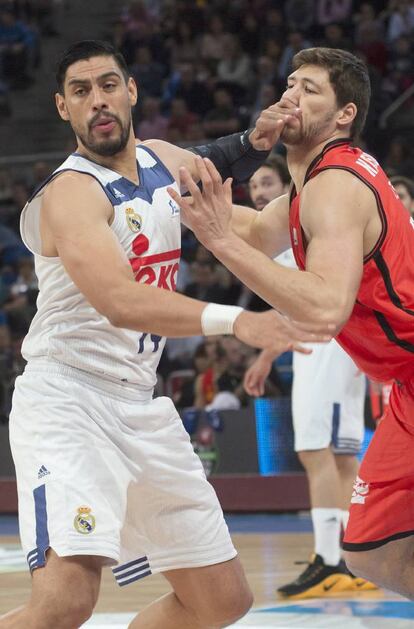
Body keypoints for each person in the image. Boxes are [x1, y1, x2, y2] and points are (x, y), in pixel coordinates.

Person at [0, 40, 331, 629]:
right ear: (61, 107)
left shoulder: (159, 158)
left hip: (139, 403)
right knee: (67, 602)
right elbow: (120, 300)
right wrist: (240, 320)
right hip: (68, 400)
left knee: (222, 600)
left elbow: (256, 233)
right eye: (81, 91)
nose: (97, 100)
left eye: (107, 85)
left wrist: (323, 169)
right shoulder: (70, 192)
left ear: (131, 91)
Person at [169, 47, 414, 599]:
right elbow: (256, 231)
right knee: (371, 548)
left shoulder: (336, 185)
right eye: (289, 83)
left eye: (310, 89)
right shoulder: (309, 187)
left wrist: (216, 237)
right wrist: (170, 195)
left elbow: (325, 308)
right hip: (405, 382)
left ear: (344, 114)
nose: (290, 95)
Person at [244, 155, 372, 599]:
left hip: (329, 344)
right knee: (336, 456)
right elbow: (290, 307)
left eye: (266, 183)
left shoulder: (304, 220)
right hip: (317, 345)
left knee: (321, 452)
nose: (259, 192)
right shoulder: (283, 239)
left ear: (284, 187)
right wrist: (266, 357)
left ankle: (332, 560)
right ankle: (348, 557)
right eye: (254, 187)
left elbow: (321, 297)